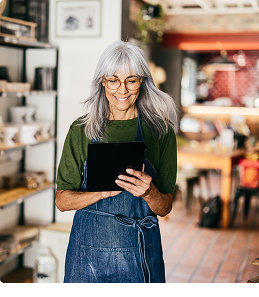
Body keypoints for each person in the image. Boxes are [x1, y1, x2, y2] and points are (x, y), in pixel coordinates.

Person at [56, 40, 178, 283]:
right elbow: (62, 201)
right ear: (102, 81)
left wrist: (149, 192)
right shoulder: (81, 130)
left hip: (141, 250)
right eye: (113, 80)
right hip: (87, 254)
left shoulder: (161, 132)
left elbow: (164, 208)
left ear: (142, 81)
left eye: (131, 80)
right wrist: (100, 194)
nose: (122, 90)